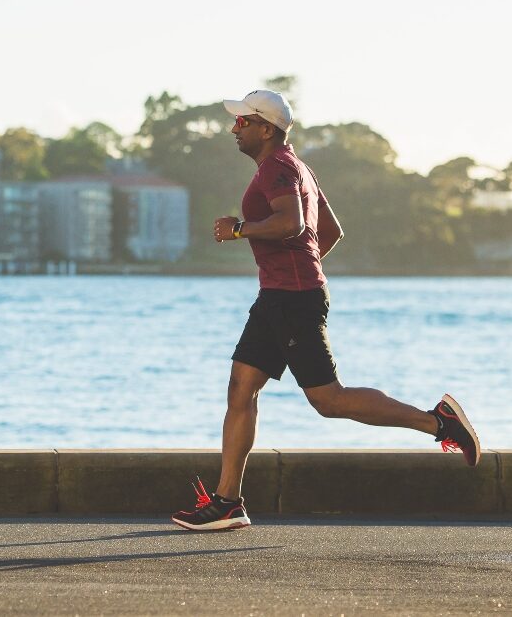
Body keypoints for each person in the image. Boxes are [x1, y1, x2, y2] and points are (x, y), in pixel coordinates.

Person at [171, 90, 480, 531]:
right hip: (281, 296)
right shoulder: (298, 168)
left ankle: (438, 423)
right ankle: (227, 502)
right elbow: (329, 231)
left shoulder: (278, 168)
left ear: (266, 128)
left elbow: (294, 224)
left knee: (328, 400)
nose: (234, 128)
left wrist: (241, 230)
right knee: (241, 389)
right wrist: (299, 268)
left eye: (242, 122)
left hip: (291, 300)